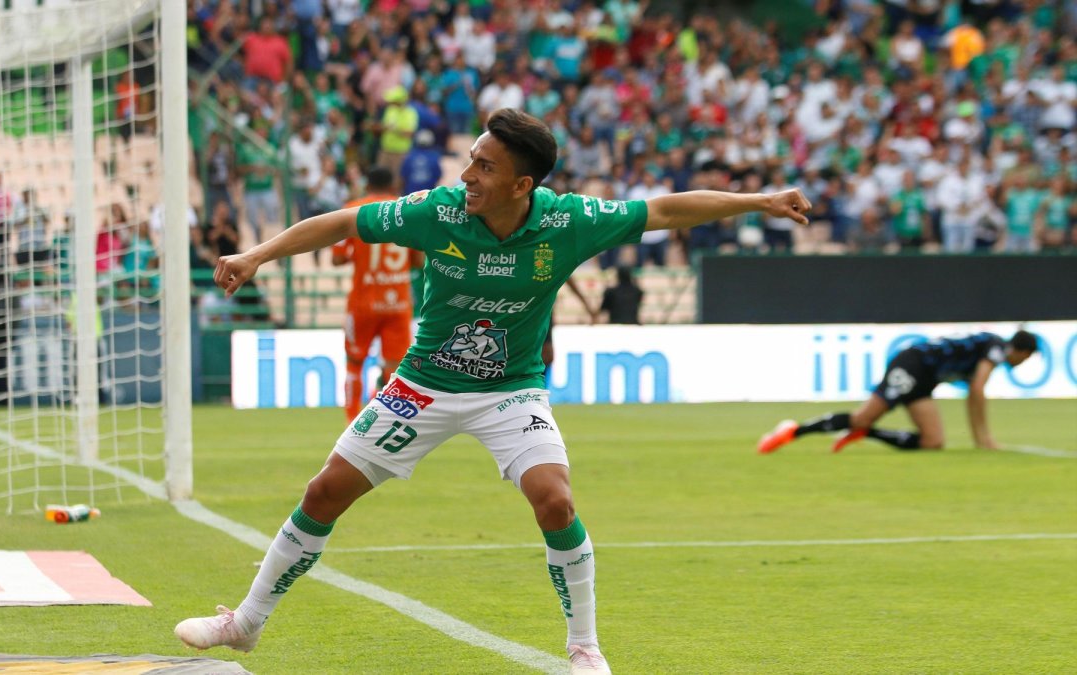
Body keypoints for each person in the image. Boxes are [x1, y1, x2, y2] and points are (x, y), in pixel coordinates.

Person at [176, 108, 810, 674]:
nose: (468, 175)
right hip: (423, 382)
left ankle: (584, 648)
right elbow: (343, 223)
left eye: (484, 166)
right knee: (324, 492)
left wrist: (759, 203)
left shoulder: (570, 220)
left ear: (521, 184)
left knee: (554, 501)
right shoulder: (438, 211)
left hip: (511, 390)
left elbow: (666, 211)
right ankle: (246, 624)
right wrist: (257, 255)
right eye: (470, 160)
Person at [758, 330, 1039, 455]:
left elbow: (973, 390)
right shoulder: (996, 348)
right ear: (1022, 352)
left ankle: (867, 433)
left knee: (933, 442)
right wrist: (984, 438)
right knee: (861, 417)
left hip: (925, 379)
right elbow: (977, 390)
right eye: (1025, 359)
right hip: (913, 364)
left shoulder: (991, 348)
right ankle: (791, 431)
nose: (1020, 364)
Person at [330, 167, 423, 420]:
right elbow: (418, 259)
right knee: (394, 368)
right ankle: (376, 415)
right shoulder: (407, 211)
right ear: (393, 184)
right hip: (398, 302)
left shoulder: (353, 208)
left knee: (354, 362)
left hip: (364, 301)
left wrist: (357, 255)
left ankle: (351, 421)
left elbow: (336, 258)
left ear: (366, 184)